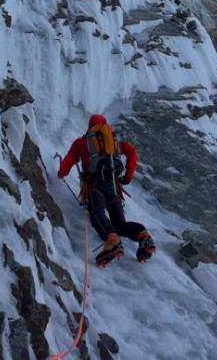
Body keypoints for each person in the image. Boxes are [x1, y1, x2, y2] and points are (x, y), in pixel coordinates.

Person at [58, 114, 156, 267]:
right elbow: (131, 151)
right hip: (114, 185)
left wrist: (60, 174)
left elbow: (69, 160)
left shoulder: (82, 142)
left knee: (97, 214)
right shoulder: (113, 142)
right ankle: (142, 235)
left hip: (94, 185)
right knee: (119, 224)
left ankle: (112, 241)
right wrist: (128, 176)